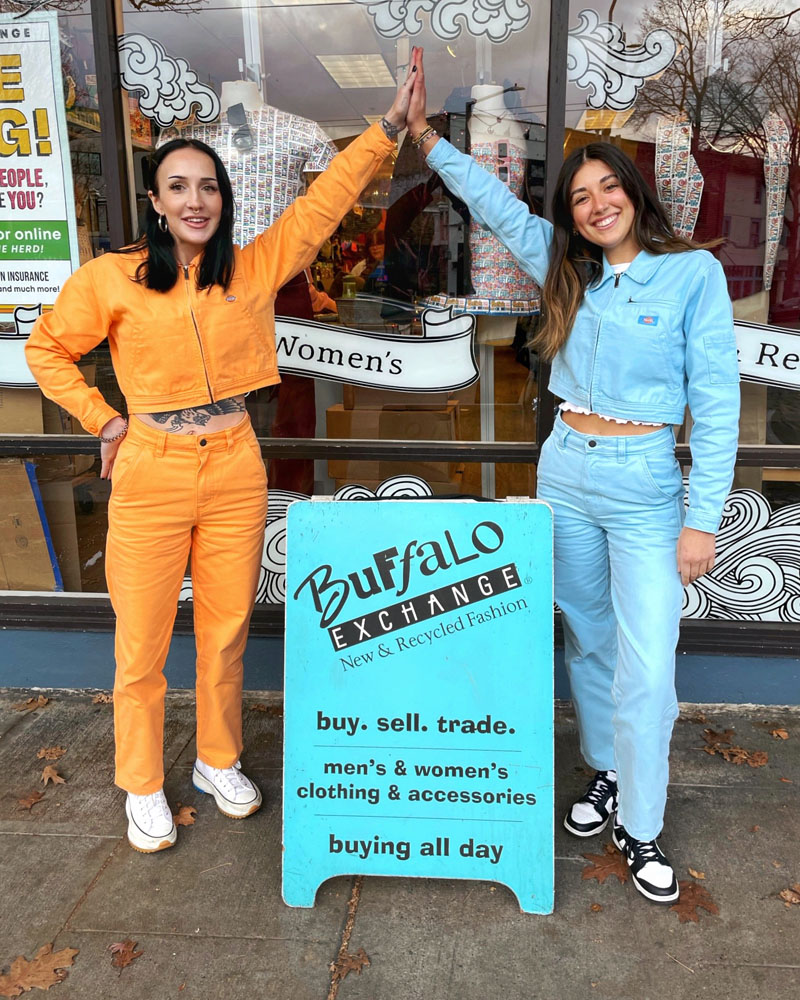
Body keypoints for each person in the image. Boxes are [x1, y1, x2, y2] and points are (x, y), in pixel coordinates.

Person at [25, 59, 420, 854]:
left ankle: (217, 758)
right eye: (179, 186)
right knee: (139, 642)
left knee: (226, 629)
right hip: (150, 468)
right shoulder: (115, 278)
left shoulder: (253, 266)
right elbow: (47, 350)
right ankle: (141, 782)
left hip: (236, 462)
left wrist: (385, 132)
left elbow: (321, 207)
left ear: (223, 199)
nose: (195, 200)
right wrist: (104, 422)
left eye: (208, 187)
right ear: (155, 200)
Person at [405, 50, 739, 904]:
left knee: (649, 663)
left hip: (643, 485)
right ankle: (604, 771)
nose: (595, 206)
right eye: (579, 197)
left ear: (635, 190)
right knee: (587, 637)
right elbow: (490, 199)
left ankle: (642, 820)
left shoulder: (690, 273)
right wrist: (425, 143)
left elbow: (720, 402)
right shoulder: (564, 267)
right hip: (566, 473)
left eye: (607, 189)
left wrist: (703, 518)